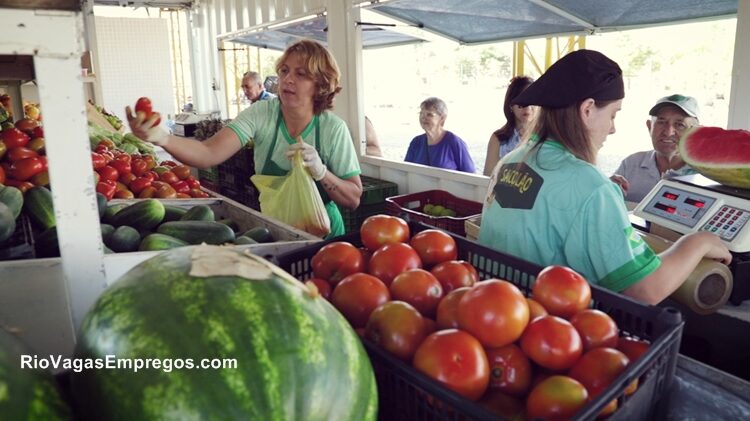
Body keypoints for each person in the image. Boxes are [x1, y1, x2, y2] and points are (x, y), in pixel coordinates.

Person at [477, 49, 731, 305]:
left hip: (502, 308)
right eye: (612, 114)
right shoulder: (590, 185)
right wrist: (697, 243)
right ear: (587, 110)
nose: (612, 128)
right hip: (558, 326)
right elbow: (644, 290)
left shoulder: (510, 161)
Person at [127, 39, 363, 238]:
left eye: (301, 74)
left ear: (320, 85)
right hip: (275, 230)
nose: (288, 79)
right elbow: (209, 153)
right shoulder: (262, 114)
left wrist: (322, 173)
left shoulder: (333, 129)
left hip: (324, 236)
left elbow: (353, 198)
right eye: (284, 71)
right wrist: (161, 137)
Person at [610, 94, 700, 204]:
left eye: (680, 124)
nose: (668, 132)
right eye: (661, 122)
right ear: (649, 126)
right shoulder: (631, 164)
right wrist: (607, 189)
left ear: (695, 132)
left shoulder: (703, 174)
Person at [404, 97, 476, 173]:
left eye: (429, 114)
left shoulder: (454, 142)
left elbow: (471, 176)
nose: (423, 117)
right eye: (421, 113)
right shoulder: (416, 142)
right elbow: (405, 172)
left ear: (442, 118)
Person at [483, 76, 536, 176]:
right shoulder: (498, 138)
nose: (527, 107)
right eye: (521, 102)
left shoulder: (548, 137)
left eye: (532, 100)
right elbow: (488, 178)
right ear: (511, 105)